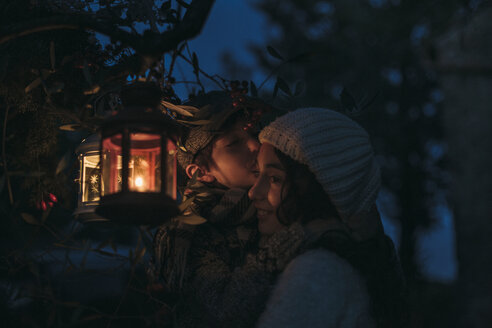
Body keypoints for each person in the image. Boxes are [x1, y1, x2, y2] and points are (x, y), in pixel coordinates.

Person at [248, 107, 407, 328]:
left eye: (275, 178)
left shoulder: (318, 270)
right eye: (257, 174)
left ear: (315, 188)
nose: (254, 192)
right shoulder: (324, 260)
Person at [150, 90, 284, 327]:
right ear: (201, 173)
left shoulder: (280, 205)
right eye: (234, 143)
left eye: (254, 133)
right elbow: (226, 311)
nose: (255, 145)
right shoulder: (190, 232)